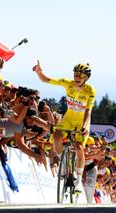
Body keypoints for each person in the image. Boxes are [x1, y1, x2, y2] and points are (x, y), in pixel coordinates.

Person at [32, 60, 96, 193]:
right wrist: (39, 72)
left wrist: (84, 126)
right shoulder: (68, 84)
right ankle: (64, 161)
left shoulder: (90, 91)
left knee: (78, 147)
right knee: (56, 136)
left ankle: (78, 182)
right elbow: (47, 80)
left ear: (86, 78)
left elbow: (88, 111)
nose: (77, 77)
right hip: (69, 118)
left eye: (80, 75)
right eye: (76, 74)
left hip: (82, 121)